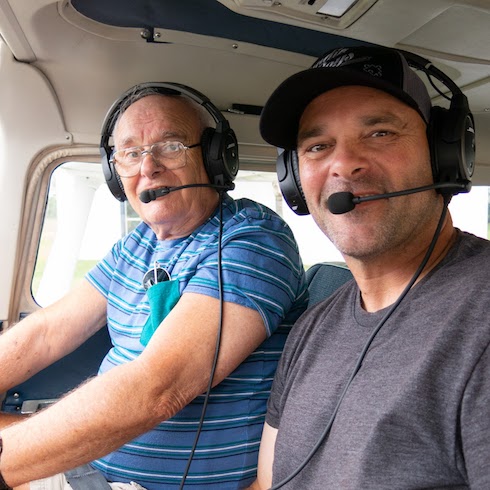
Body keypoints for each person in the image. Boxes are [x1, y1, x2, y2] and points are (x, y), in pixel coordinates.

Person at [0, 83, 307, 489]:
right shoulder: (136, 244)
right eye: (130, 154)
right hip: (90, 469)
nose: (148, 167)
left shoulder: (253, 239)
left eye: (171, 146)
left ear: (216, 158)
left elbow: (160, 387)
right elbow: (45, 333)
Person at [250, 45, 490, 489]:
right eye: (318, 146)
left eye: (379, 133)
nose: (343, 164)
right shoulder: (313, 327)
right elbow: (267, 483)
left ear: (446, 154)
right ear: (295, 181)